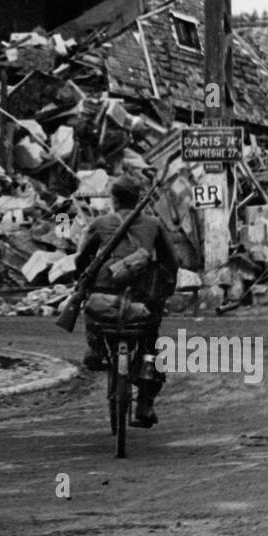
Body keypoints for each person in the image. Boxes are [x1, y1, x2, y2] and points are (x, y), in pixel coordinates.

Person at [74, 173, 179, 427]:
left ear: (114, 200)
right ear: (137, 199)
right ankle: (144, 404)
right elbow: (171, 262)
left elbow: (80, 260)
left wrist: (83, 282)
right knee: (152, 346)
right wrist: (166, 289)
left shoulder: (100, 223)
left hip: (104, 295)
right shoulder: (153, 224)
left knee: (92, 310)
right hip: (142, 300)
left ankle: (96, 348)